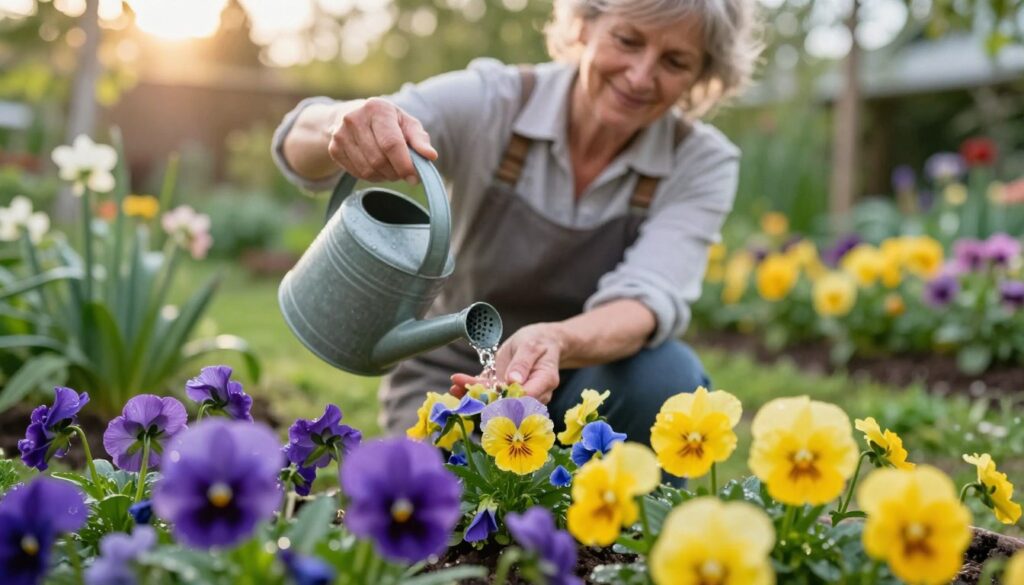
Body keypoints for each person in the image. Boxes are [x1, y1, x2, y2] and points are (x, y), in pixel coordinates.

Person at [272, 0, 762, 449]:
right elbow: (299, 143)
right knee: (443, 514)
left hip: (585, 380)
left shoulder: (700, 160)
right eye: (628, 40)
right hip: (452, 375)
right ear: (585, 26)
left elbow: (646, 298)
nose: (639, 76)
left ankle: (615, 536)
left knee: (667, 378)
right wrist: (346, 121)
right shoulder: (495, 102)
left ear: (702, 76)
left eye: (675, 62)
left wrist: (553, 342)